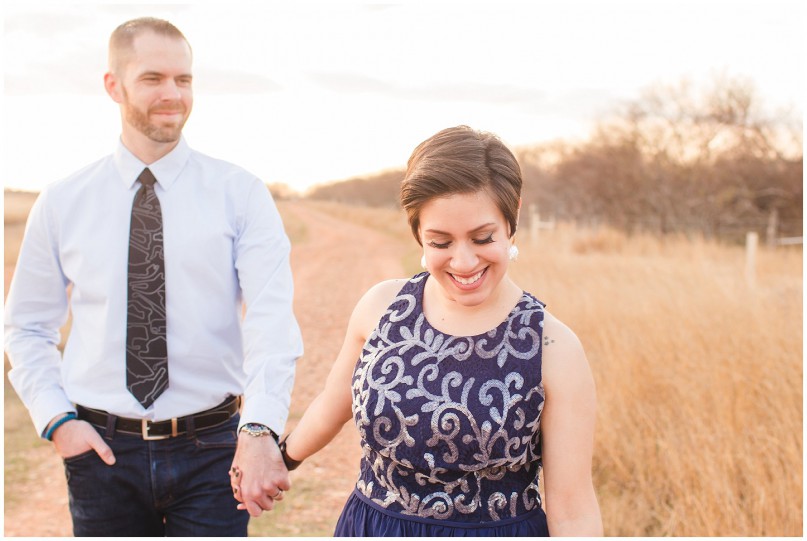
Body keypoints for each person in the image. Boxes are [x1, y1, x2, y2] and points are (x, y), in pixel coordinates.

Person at [4, 17, 303, 536]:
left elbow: (272, 322)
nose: (173, 94)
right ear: (112, 85)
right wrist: (57, 421)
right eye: (153, 79)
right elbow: (26, 326)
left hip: (213, 451)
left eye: (183, 80)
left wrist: (260, 428)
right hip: (101, 454)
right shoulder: (62, 201)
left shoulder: (241, 194)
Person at [271, 126, 603, 536]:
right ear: (417, 234)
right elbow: (335, 399)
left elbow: (573, 509)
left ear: (512, 216)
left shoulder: (554, 349)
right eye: (440, 242)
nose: (464, 262)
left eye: (482, 238)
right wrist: (282, 457)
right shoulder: (381, 307)